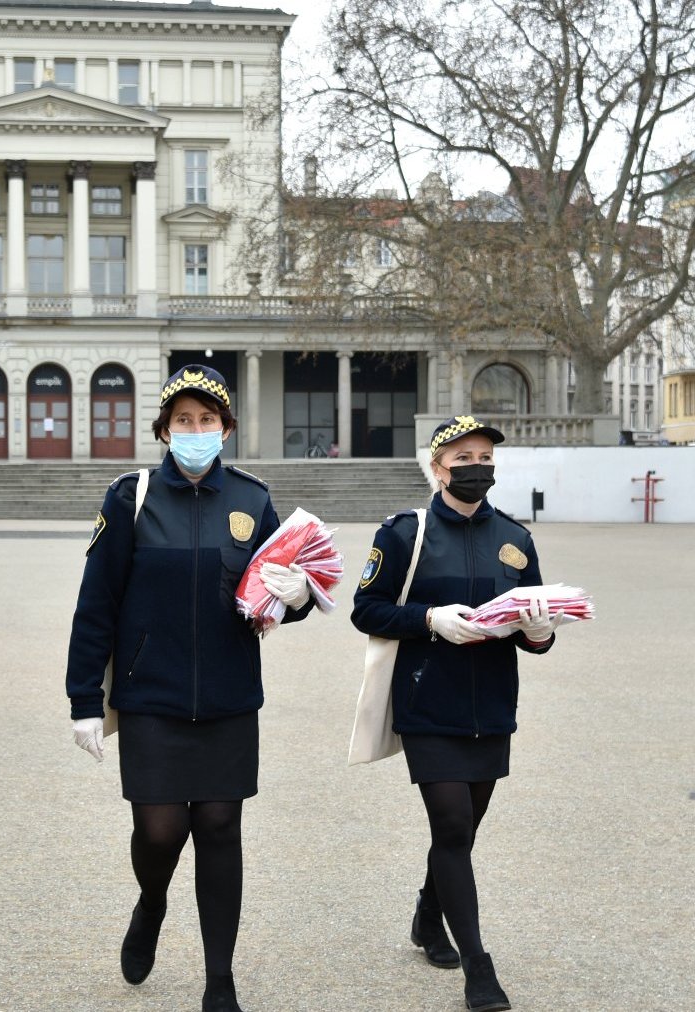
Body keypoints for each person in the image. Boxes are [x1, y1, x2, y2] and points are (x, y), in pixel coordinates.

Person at [64, 364, 315, 1012]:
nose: (196, 431)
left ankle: (219, 978)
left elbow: (288, 587)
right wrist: (84, 701)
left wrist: (299, 597)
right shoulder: (131, 497)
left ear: (226, 429)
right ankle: (152, 901)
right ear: (166, 429)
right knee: (160, 832)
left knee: (220, 826)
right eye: (184, 421)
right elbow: (97, 603)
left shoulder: (254, 501)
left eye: (207, 421)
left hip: (230, 697)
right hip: (152, 697)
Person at [350, 415, 557, 1012]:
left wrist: (540, 633)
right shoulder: (402, 534)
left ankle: (426, 915)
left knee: (466, 826)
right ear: (437, 466)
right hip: (427, 701)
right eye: (462, 456)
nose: (476, 465)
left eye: (485, 456)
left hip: (491, 705)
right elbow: (367, 610)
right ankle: (479, 968)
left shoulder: (516, 538)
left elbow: (532, 627)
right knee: (452, 824)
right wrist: (430, 618)